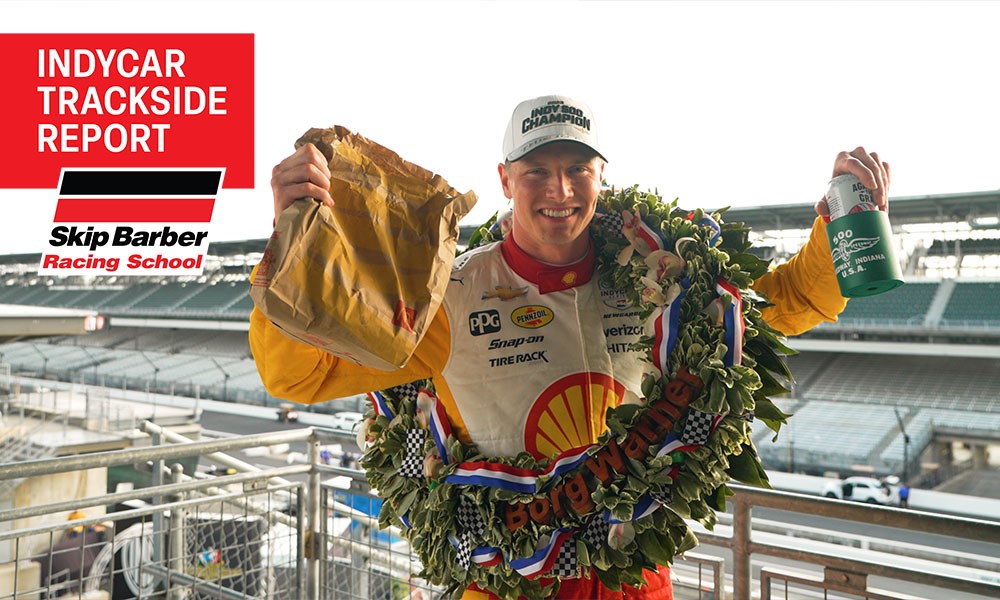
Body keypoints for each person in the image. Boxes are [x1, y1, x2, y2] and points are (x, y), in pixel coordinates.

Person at [251, 95, 891, 599]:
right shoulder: (450, 294)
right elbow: (301, 375)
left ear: (601, 175)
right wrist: (292, 239)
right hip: (506, 584)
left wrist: (836, 233)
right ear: (505, 180)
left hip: (636, 578)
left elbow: (775, 306)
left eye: (577, 169)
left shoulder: (661, 275)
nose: (559, 190)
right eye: (537, 171)